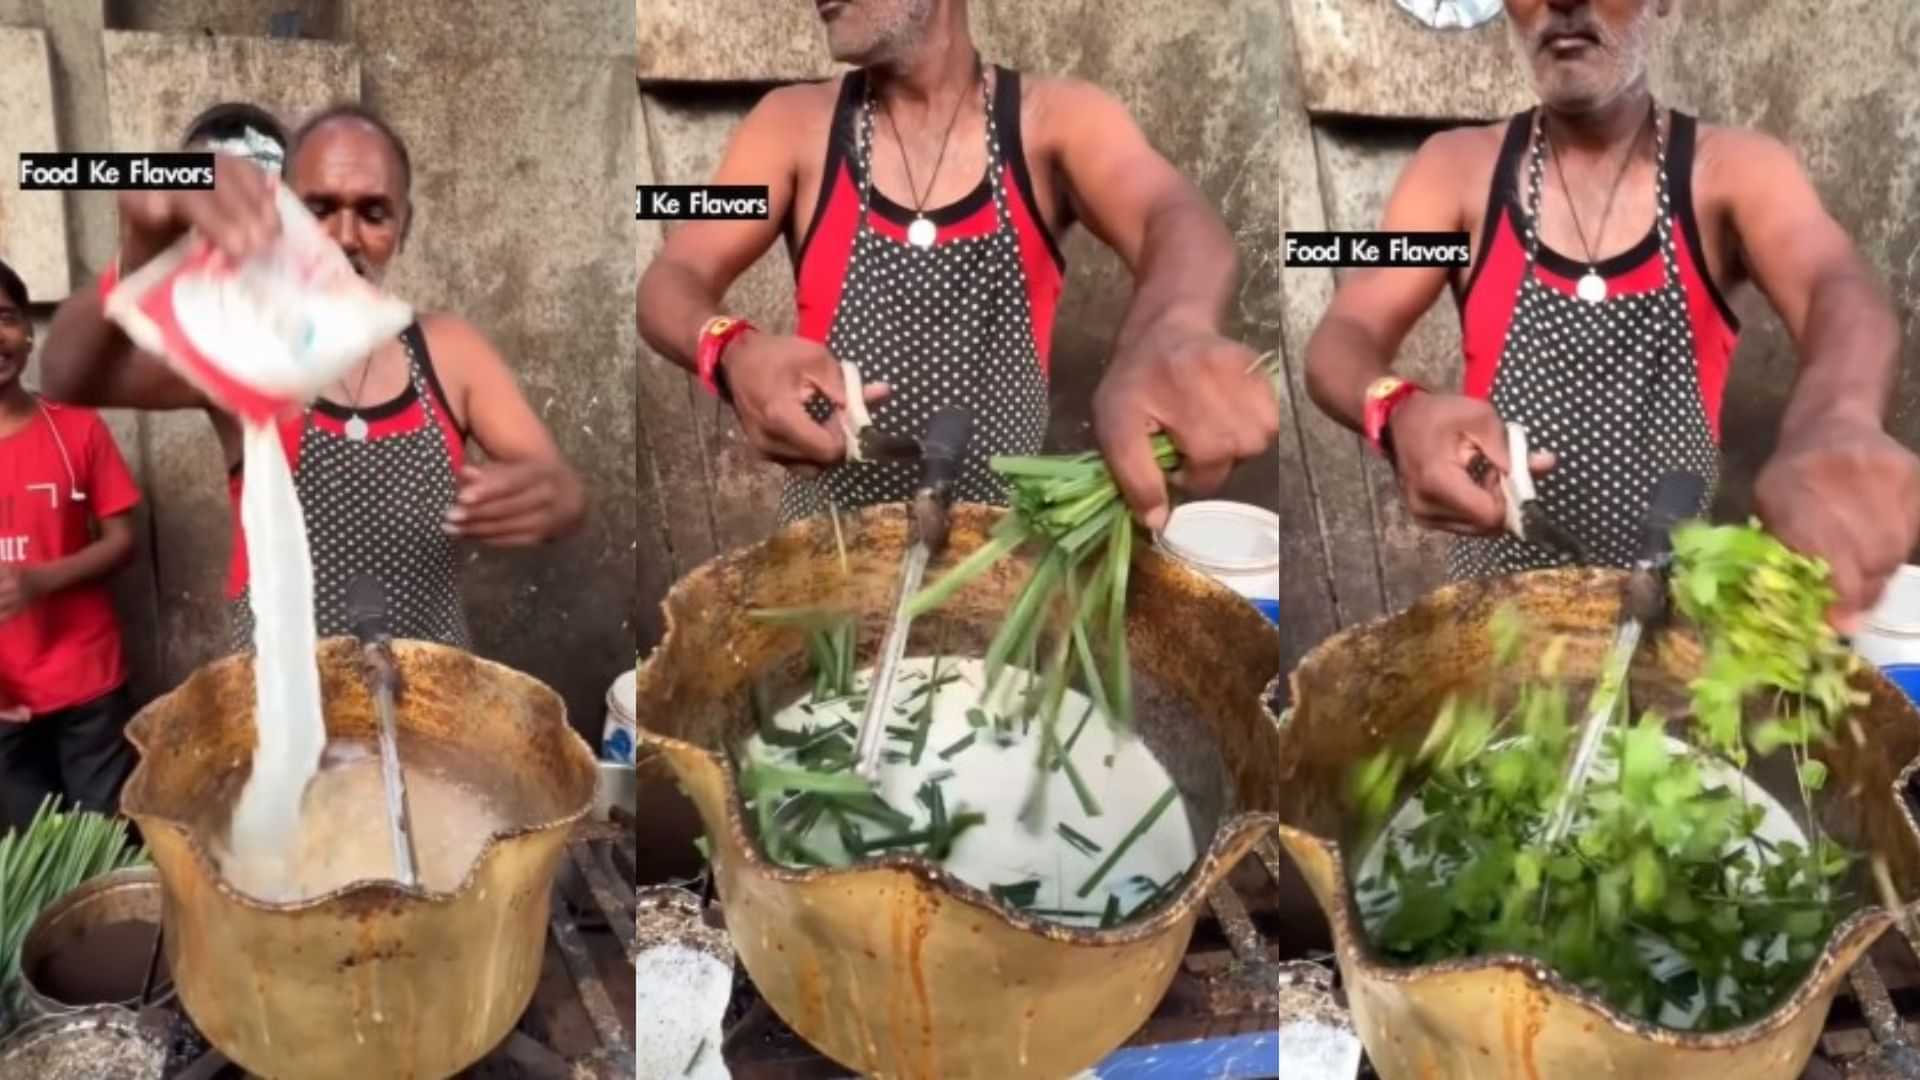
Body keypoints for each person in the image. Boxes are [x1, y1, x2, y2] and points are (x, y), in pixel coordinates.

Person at [1302, 0, 1920, 632]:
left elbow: (1835, 286)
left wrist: (1836, 415)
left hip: (1664, 628)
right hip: (1495, 633)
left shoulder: (1733, 172)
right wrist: (1396, 409)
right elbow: (1345, 334)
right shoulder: (1453, 171)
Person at [636, 0, 1278, 533]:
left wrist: (1170, 330)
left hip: (1005, 550)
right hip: (828, 553)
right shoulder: (788, 127)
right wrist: (729, 349)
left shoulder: (1055, 122)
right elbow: (673, 279)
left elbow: (1174, 216)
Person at [39, 103, 587, 650]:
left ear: (404, 227)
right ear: (282, 214)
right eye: (319, 209)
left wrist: (552, 496)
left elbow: (560, 488)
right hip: (283, 697)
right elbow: (70, 376)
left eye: (374, 213)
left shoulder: (451, 351)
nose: (345, 236)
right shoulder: (244, 346)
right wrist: (141, 252)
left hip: (431, 696)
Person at [0, 259, 143, 832]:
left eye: (5, 318)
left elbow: (123, 541)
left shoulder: (76, 428)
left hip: (89, 684)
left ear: (28, 333)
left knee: (107, 846)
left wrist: (41, 580)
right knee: (31, 857)